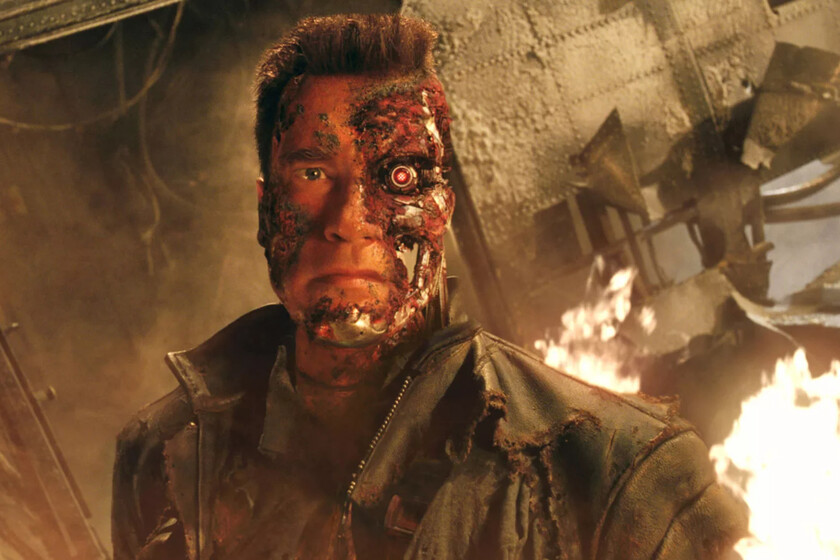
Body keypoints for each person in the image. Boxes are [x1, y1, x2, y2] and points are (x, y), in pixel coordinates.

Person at [112, 13, 747, 560]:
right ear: (265, 208)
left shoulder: (621, 476)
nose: (348, 220)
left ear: (442, 207)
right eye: (312, 172)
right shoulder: (166, 449)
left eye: (400, 176)